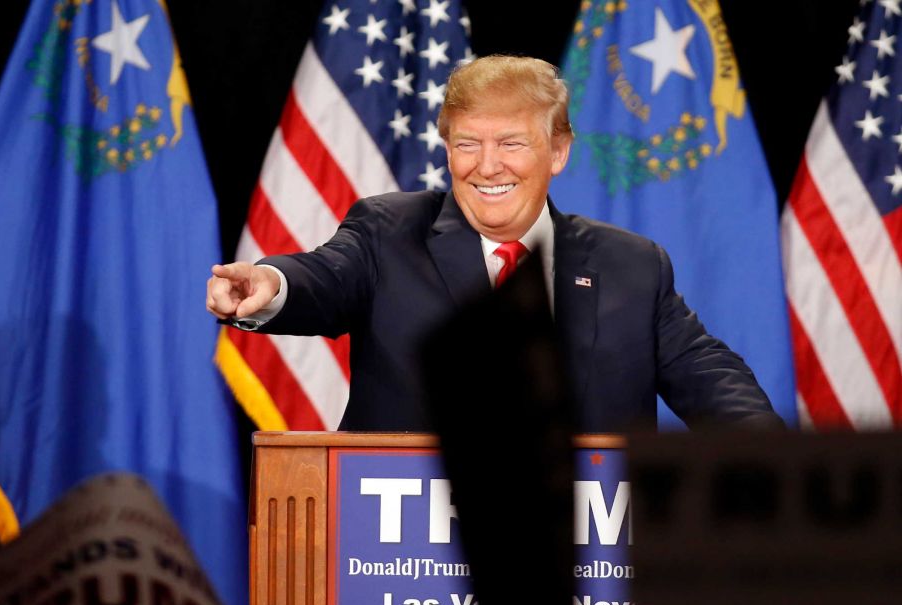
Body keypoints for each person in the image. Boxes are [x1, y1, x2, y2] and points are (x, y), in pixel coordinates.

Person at [206, 55, 782, 432]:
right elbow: (324, 278)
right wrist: (272, 283)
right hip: (402, 569)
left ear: (558, 151)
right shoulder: (389, 232)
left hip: (584, 569)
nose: (486, 167)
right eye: (467, 144)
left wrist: (774, 461)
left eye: (510, 143)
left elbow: (713, 382)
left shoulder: (630, 264)